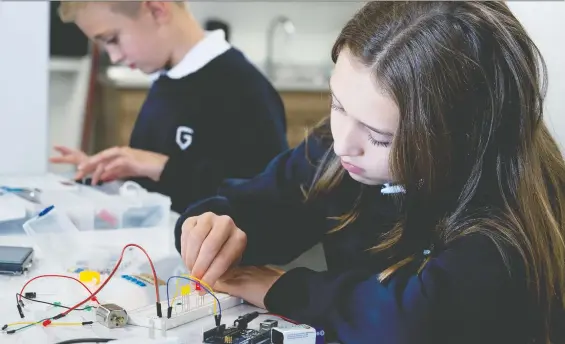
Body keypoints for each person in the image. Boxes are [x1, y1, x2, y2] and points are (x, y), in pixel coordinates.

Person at [174, 2, 565, 344]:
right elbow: (259, 205)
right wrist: (214, 227)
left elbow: (415, 322)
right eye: (338, 105)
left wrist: (283, 288)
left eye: (379, 137)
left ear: (460, 139)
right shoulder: (337, 153)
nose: (344, 144)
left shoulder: (507, 215)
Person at [50, 1, 288, 213]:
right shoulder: (167, 79)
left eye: (113, 39)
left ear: (156, 10)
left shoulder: (243, 88)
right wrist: (111, 173)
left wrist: (162, 167)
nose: (114, 57)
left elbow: (268, 201)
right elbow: (159, 182)